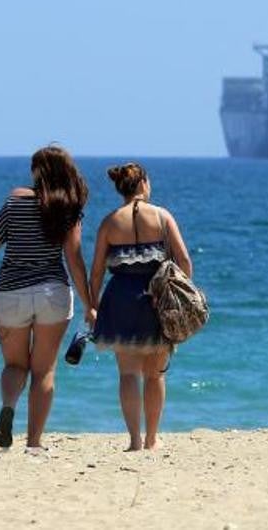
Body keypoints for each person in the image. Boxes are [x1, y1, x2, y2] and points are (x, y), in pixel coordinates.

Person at [0, 145, 93, 451]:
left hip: (11, 294)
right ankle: (34, 442)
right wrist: (89, 303)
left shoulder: (15, 202)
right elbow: (74, 260)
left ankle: (8, 407)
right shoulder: (69, 208)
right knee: (43, 370)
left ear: (38, 172)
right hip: (53, 294)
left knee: (14, 366)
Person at [89, 162, 193, 451]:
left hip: (120, 297)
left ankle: (134, 440)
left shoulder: (110, 222)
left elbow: (96, 271)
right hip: (156, 297)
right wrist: (180, 294)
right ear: (144, 183)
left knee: (127, 373)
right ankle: (151, 438)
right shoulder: (161, 217)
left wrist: (92, 305)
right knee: (155, 373)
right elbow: (184, 261)